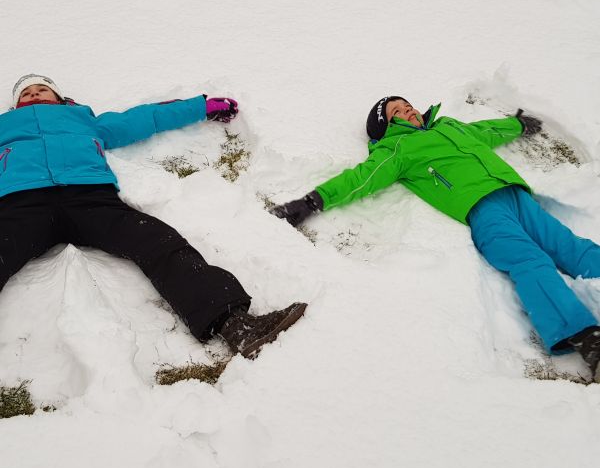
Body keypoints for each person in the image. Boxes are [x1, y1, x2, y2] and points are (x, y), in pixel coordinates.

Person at [271, 95, 600, 381]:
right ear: (386, 127)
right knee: (530, 262)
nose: (409, 111)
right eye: (397, 112)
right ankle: (584, 337)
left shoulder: (450, 126)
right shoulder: (396, 148)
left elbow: (486, 131)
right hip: (482, 212)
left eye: (408, 105)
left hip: (515, 195)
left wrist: (515, 126)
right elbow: (361, 179)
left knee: (570, 246)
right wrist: (313, 200)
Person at [0, 74, 306, 358]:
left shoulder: (83, 120)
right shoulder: (5, 126)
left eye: (41, 89)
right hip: (21, 203)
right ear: (16, 104)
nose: (34, 94)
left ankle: (236, 326)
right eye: (26, 92)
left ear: (58, 97)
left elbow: (145, 118)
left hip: (90, 199)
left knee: (158, 242)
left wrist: (200, 107)